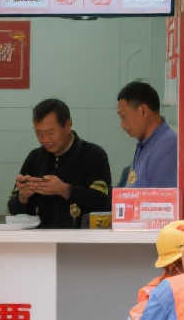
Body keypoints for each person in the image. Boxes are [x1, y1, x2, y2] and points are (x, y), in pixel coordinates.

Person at [11, 98, 112, 229]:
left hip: (82, 237)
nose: (45, 140)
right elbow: (13, 209)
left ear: (68, 125)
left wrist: (66, 190)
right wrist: (22, 197)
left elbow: (102, 201)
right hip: (40, 238)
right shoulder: (35, 158)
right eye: (39, 134)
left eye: (51, 133)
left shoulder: (93, 155)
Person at [115, 80, 178, 190]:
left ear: (142, 111)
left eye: (124, 116)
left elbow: (161, 198)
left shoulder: (168, 146)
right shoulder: (145, 145)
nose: (123, 125)